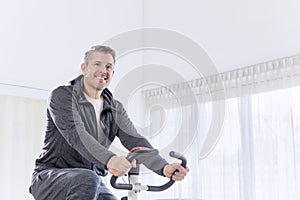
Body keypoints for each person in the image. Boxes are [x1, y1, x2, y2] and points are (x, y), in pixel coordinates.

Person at [29, 45, 189, 200]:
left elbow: (135, 140)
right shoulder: (63, 96)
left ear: (112, 72)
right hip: (51, 176)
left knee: (91, 180)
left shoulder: (114, 108)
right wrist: (109, 160)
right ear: (84, 68)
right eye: (97, 64)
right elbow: (76, 134)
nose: (103, 71)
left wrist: (164, 167)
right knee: (87, 179)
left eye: (108, 66)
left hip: (91, 180)